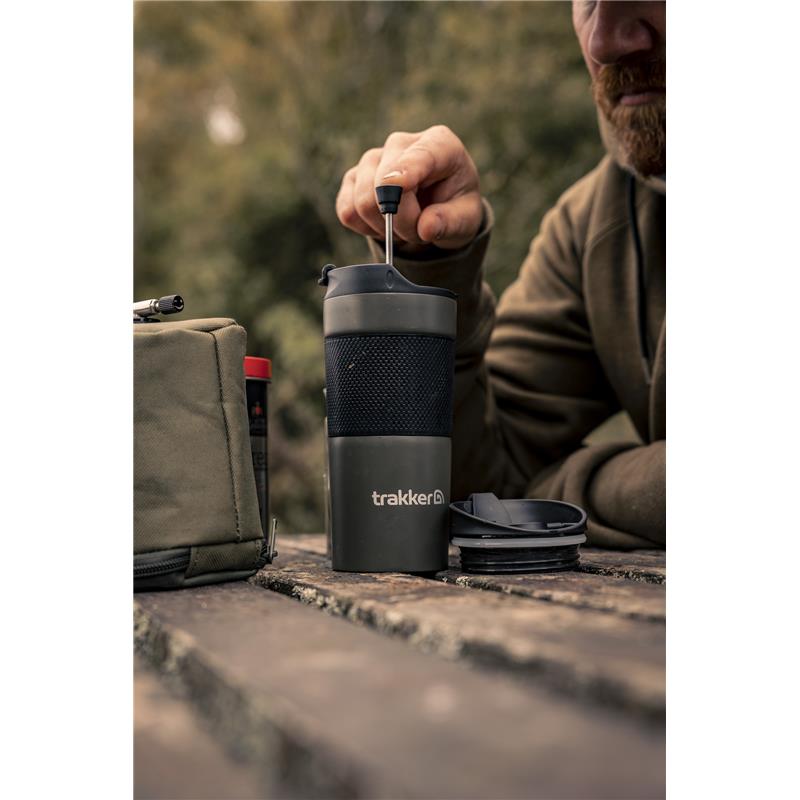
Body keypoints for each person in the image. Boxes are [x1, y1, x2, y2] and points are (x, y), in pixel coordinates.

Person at [334, 1, 666, 549]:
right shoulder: (595, 224)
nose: (602, 43)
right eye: (587, 2)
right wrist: (431, 262)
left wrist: (571, 488)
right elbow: (481, 490)